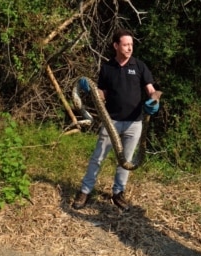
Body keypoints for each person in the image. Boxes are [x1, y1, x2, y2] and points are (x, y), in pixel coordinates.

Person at [72, 29, 159, 211]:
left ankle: (118, 193)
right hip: (111, 121)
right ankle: (85, 191)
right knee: (98, 157)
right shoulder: (107, 68)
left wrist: (154, 101)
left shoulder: (140, 66)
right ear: (116, 46)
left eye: (131, 45)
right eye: (126, 45)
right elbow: (103, 95)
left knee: (125, 160)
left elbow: (152, 90)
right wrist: (92, 90)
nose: (129, 48)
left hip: (134, 123)